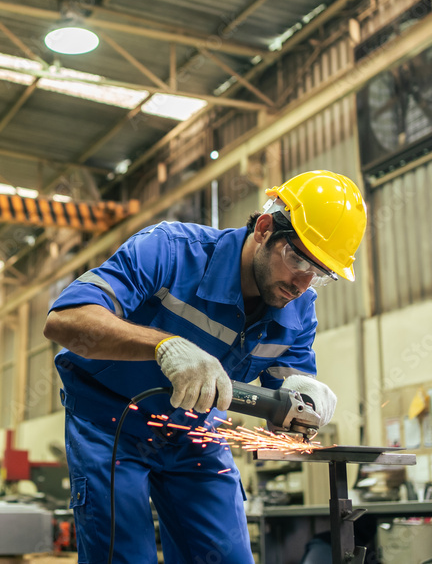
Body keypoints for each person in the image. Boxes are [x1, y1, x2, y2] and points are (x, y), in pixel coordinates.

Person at [43, 171, 367, 564]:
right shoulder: (171, 250)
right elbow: (66, 320)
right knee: (125, 554)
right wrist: (164, 345)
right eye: (297, 257)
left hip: (193, 429)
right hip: (109, 421)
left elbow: (287, 391)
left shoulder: (298, 307)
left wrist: (303, 401)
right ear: (264, 228)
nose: (302, 282)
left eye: (319, 273)